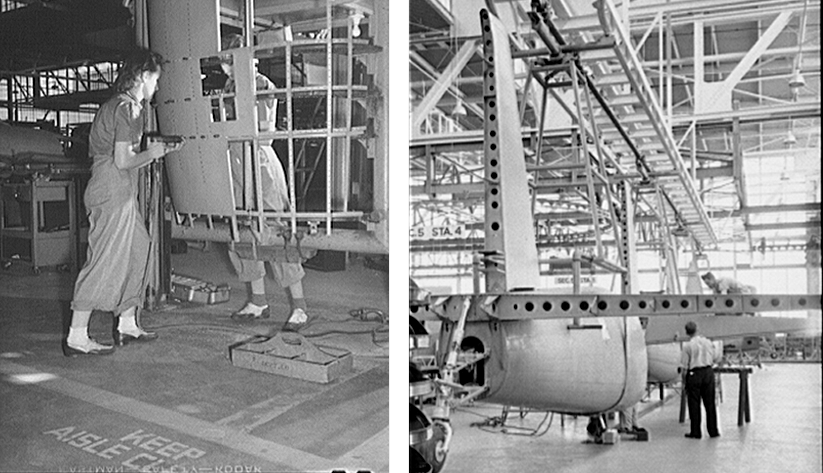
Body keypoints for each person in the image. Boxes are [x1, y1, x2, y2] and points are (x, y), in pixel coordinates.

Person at [65, 49, 183, 356]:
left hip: (117, 187)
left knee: (138, 248)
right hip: (112, 186)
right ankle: (76, 336)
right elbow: (122, 160)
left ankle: (126, 322)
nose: (156, 87)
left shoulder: (118, 105)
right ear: (143, 77)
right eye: (155, 80)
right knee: (104, 259)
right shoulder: (129, 108)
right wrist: (155, 153)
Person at [220, 34, 312, 331]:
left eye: (228, 60)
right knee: (242, 233)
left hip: (259, 164)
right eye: (223, 61)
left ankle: (300, 308)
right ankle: (258, 301)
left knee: (273, 233)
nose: (224, 67)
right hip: (236, 162)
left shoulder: (260, 84)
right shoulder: (229, 85)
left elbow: (262, 128)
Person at [681, 321, 722, 439]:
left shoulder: (687, 346)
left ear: (687, 332)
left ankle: (696, 432)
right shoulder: (708, 342)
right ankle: (713, 431)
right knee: (710, 404)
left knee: (694, 404)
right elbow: (714, 357)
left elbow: (684, 366)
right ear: (697, 329)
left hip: (694, 374)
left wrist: (684, 381)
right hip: (708, 372)